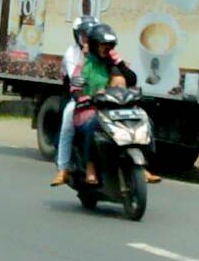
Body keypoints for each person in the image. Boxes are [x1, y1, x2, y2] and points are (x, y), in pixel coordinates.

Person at [69, 24, 161, 185]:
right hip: (89, 110)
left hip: (115, 110)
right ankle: (91, 166)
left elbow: (132, 80)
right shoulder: (85, 65)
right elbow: (75, 89)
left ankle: (142, 165)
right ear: (93, 45)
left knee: (144, 120)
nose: (106, 48)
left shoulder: (114, 65)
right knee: (94, 124)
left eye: (109, 45)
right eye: (103, 45)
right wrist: (86, 97)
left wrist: (119, 63)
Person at [50, 16, 98, 186]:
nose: (87, 38)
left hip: (102, 97)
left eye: (91, 34)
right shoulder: (72, 53)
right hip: (78, 96)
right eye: (84, 34)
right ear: (77, 35)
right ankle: (63, 168)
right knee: (67, 122)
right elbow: (76, 81)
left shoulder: (102, 50)